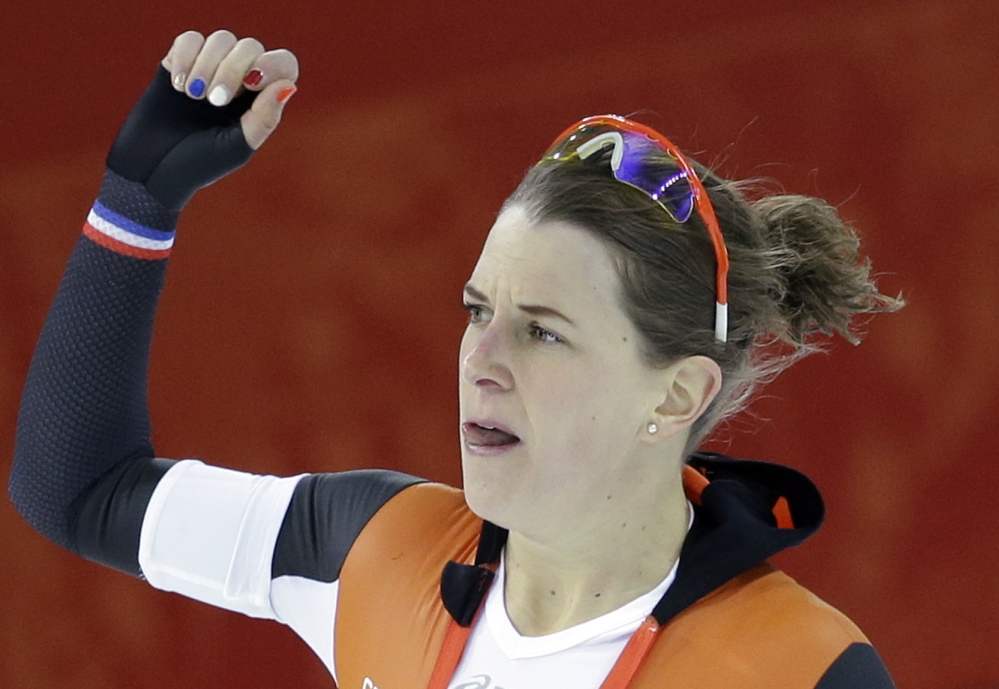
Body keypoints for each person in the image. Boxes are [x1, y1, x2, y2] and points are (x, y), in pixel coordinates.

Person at [9, 30, 901, 689]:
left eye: (544, 330)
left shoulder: (802, 671)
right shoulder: (371, 547)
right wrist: (137, 203)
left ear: (675, 393)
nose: (482, 358)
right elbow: (78, 488)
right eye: (479, 310)